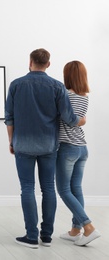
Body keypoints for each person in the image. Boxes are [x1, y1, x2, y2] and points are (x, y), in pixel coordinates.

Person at [4, 49, 85, 248]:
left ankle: (31, 236)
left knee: (27, 189)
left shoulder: (16, 84)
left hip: (22, 144)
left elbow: (9, 118)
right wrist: (81, 121)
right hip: (49, 146)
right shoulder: (57, 86)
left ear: (30, 61)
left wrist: (11, 141)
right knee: (48, 189)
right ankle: (46, 236)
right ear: (48, 64)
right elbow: (69, 117)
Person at [56, 61, 101, 246]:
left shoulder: (66, 95)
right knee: (76, 189)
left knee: (64, 190)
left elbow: (66, 118)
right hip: (82, 147)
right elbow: (80, 120)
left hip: (68, 148)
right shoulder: (84, 96)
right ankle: (75, 230)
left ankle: (88, 227)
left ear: (68, 75)